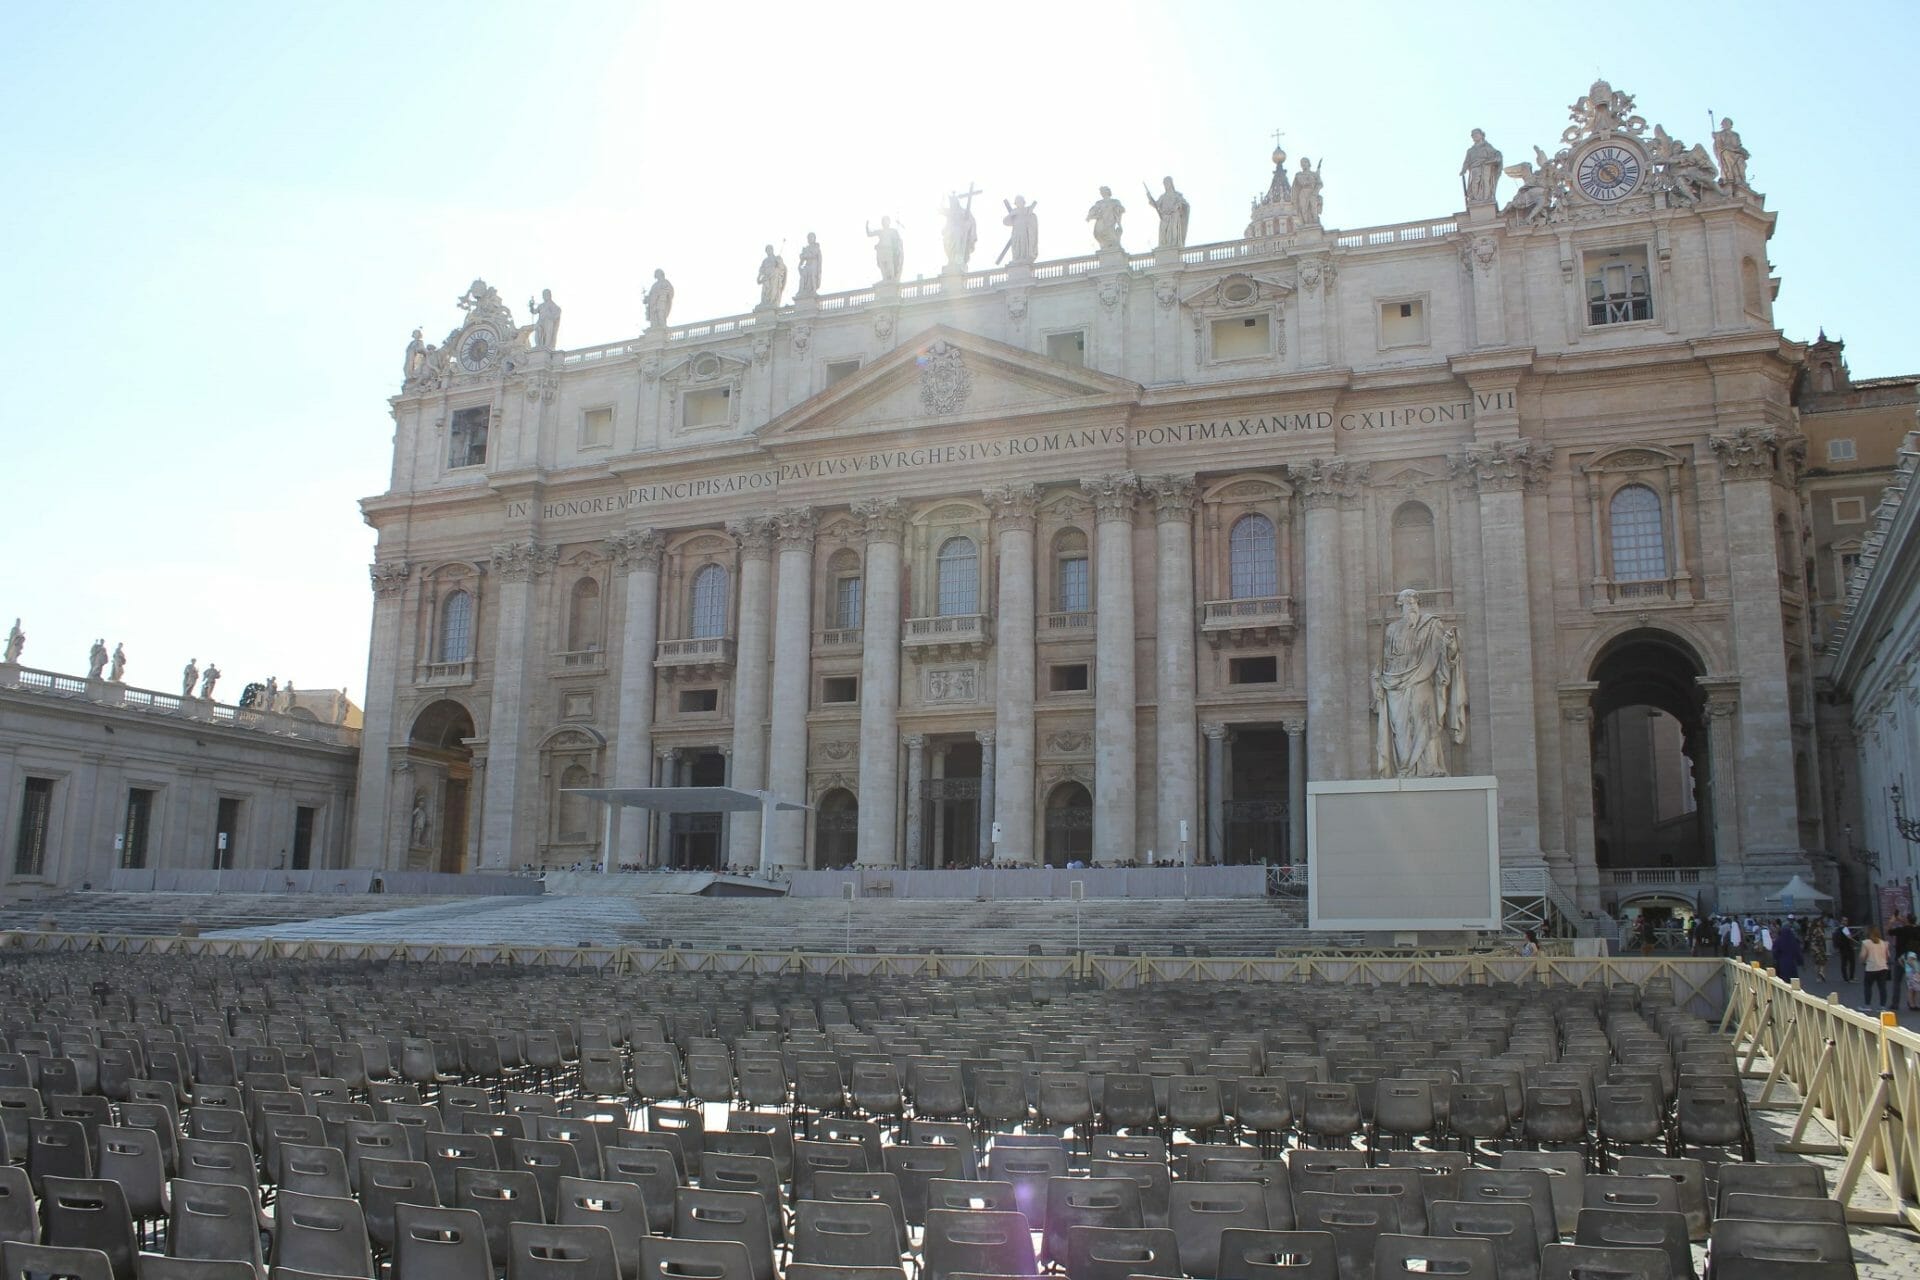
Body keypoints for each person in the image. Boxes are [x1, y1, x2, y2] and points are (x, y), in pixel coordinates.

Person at [1371, 588, 1467, 777]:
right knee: (1400, 728)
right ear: (1401, 607)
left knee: (1426, 721)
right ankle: (1405, 768)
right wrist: (1377, 680)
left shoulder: (1431, 625)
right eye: (1407, 604)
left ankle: (1429, 767)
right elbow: (1383, 661)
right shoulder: (1391, 630)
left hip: (1423, 680)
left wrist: (1451, 646)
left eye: (1414, 603)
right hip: (1395, 685)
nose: (1411, 607)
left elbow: (1445, 655)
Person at [1143, 176, 1190, 249]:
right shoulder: (1163, 196)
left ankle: (1174, 246)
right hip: (1164, 217)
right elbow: (1156, 204)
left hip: (1174, 216)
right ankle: (1163, 247)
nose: (1165, 185)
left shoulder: (1177, 195)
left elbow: (1184, 204)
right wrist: (1149, 197)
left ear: (1171, 183)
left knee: (1173, 232)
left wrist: (1178, 206)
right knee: (1163, 232)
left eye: (1167, 183)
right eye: (1164, 183)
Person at [1460, 128, 1503, 204]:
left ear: (1481, 135)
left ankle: (1486, 199)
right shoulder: (1470, 150)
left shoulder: (1487, 146)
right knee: (1474, 182)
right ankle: (1475, 199)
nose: (1475, 136)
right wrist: (1463, 169)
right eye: (1473, 135)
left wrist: (1497, 156)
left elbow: (1496, 153)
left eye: (1476, 134)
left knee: (1486, 182)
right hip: (1474, 168)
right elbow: (1466, 161)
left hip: (1486, 166)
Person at [999, 196, 1039, 266]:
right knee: (1016, 245)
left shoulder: (1027, 210)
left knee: (1024, 244)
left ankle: (1023, 258)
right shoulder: (1014, 211)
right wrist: (1011, 214)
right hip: (1016, 232)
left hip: (1024, 231)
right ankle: (1016, 259)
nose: (1018, 203)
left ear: (1023, 202)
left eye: (1020, 202)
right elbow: (1005, 221)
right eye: (1017, 202)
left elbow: (1032, 219)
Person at [1861, 926, 1892, 1011]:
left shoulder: (1866, 943)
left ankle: (1867, 1005)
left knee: (1868, 986)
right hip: (1883, 967)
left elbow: (1863, 956)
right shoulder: (1884, 943)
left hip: (1871, 968)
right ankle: (1882, 1006)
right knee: (1882, 987)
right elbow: (1888, 956)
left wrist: (1863, 961)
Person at [866, 216, 905, 283]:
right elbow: (869, 234)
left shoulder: (892, 231)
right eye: (883, 221)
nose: (884, 222)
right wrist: (866, 227)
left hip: (889, 249)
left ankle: (892, 278)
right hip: (881, 250)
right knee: (882, 264)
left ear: (889, 222)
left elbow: (900, 235)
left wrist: (900, 224)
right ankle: (885, 279)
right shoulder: (880, 231)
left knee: (890, 264)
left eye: (886, 221)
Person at [1085, 186, 1125, 251]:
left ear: (1108, 191)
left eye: (1104, 191)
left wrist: (1118, 209)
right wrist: (1089, 216)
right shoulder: (1099, 202)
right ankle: (1105, 247)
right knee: (1097, 233)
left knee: (1110, 232)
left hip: (1110, 219)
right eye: (1101, 191)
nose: (1102, 192)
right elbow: (1094, 209)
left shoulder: (1115, 201)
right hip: (1101, 220)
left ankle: (1113, 246)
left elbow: (1121, 209)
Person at [796, 233, 822, 299]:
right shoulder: (806, 248)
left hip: (813, 265)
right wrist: (800, 264)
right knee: (803, 278)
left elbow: (813, 255)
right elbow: (802, 258)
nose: (809, 239)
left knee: (812, 277)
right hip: (807, 265)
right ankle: (802, 291)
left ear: (814, 238)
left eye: (811, 237)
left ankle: (813, 291)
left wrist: (804, 255)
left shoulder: (816, 247)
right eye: (808, 238)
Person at [1834, 918, 1858, 982]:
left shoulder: (1838, 929)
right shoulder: (1845, 928)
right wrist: (1856, 941)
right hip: (1848, 948)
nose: (1847, 921)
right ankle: (1851, 977)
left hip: (1841, 948)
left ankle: (1845, 978)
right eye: (1845, 920)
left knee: (1843, 963)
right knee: (1852, 962)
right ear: (1842, 921)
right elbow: (1849, 937)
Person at [1806, 916, 1828, 982]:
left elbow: (1809, 938)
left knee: (1816, 963)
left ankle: (1817, 977)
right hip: (1819, 947)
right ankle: (1821, 972)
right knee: (1823, 961)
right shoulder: (1819, 929)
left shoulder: (1811, 929)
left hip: (1813, 948)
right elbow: (1823, 937)